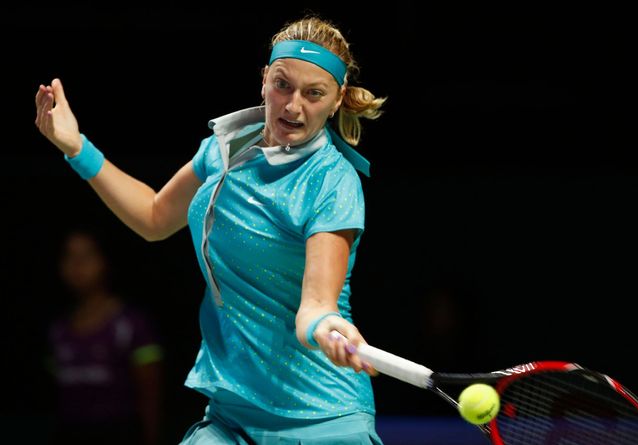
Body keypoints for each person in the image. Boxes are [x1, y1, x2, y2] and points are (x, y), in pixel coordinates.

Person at [35, 16, 386, 444]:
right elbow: (153, 217)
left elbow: (315, 303)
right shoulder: (225, 148)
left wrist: (326, 323)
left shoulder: (333, 180)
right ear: (263, 80)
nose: (293, 106)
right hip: (232, 414)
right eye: (283, 85)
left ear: (336, 101)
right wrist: (76, 147)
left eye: (314, 94)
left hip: (321, 418)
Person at [48, 229, 163, 445]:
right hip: (68, 433)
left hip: (119, 434)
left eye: (86, 256)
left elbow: (150, 396)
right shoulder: (57, 329)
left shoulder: (131, 323)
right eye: (69, 256)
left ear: (104, 261)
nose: (77, 265)